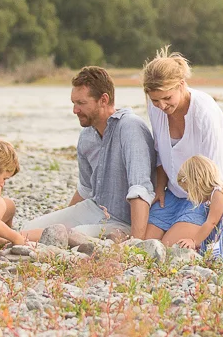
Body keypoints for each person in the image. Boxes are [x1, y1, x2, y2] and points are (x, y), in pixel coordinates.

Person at [20, 66, 157, 238]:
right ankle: (20, 237)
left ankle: (21, 240)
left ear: (103, 100)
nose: (75, 110)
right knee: (29, 226)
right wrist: (61, 222)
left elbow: (141, 190)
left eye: (81, 103)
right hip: (94, 208)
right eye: (74, 103)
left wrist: (137, 244)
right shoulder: (86, 135)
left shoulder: (130, 127)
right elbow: (86, 189)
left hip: (122, 221)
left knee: (75, 236)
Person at [141, 47, 223, 245]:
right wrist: (160, 188)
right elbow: (161, 153)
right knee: (144, 244)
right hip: (174, 192)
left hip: (205, 196)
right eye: (155, 100)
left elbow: (216, 175)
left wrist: (209, 217)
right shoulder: (156, 109)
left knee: (169, 248)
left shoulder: (205, 112)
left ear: (181, 84)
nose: (161, 106)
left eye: (167, 98)